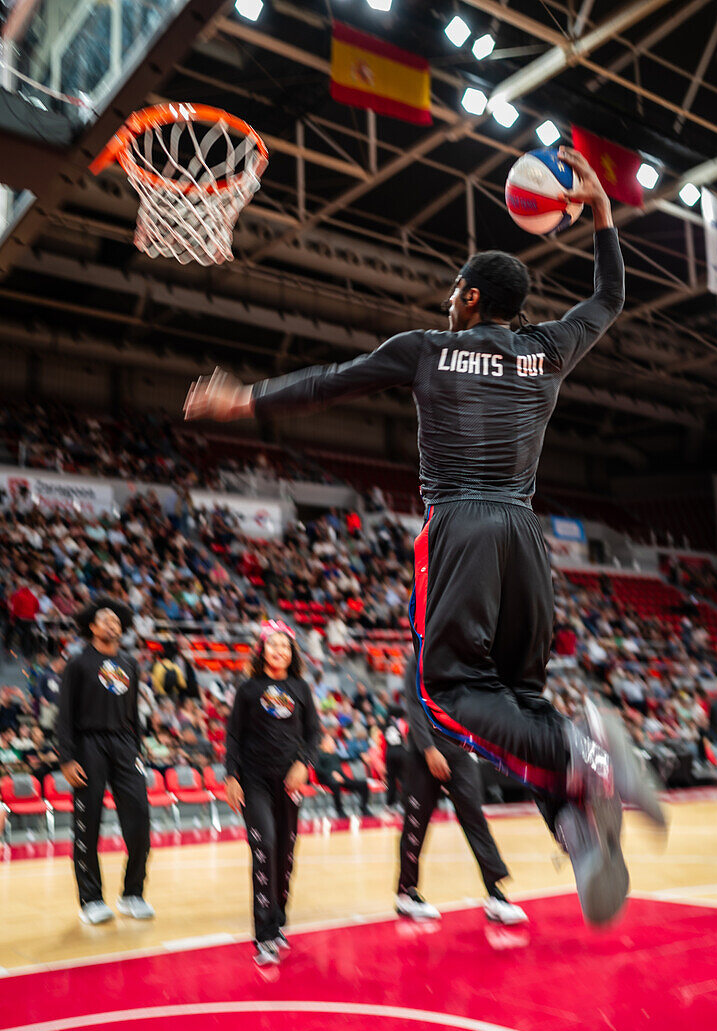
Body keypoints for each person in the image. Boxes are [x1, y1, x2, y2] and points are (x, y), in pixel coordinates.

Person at [185, 147, 665, 926]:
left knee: (447, 694)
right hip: (527, 539)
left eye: (453, 292)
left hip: (463, 528)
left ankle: (588, 759)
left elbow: (329, 382)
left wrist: (244, 403)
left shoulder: (428, 349)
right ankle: (577, 822)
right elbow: (608, 297)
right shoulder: (547, 349)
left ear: (470, 298)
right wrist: (604, 218)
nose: (447, 301)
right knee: (520, 697)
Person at [396, 658, 528, 925]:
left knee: (475, 820)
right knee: (416, 824)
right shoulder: (420, 658)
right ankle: (406, 894)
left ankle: (495, 895)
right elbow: (414, 705)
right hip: (425, 753)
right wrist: (428, 750)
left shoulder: (463, 657)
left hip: (460, 753)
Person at [225, 620, 319, 966]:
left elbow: (313, 735)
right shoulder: (248, 689)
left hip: (289, 781)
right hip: (254, 780)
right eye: (273, 644)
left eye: (285, 645)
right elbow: (233, 736)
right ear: (262, 649)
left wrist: (303, 763)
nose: (279, 650)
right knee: (264, 846)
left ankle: (278, 921)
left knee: (286, 855)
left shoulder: (301, 689)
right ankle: (264, 934)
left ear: (291, 652)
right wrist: (231, 776)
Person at [56, 598, 154, 925]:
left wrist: (137, 749)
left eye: (116, 620)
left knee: (140, 817)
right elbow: (64, 715)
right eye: (104, 620)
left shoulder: (130, 664)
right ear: (92, 628)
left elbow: (134, 715)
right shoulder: (78, 664)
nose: (112, 624)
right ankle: (91, 899)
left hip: (125, 744)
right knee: (89, 825)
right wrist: (67, 758)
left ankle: (132, 893)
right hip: (88, 744)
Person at [315, 731, 372, 819]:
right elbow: (318, 769)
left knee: (363, 784)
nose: (334, 744)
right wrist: (331, 773)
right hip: (327, 779)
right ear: (324, 743)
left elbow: (348, 758)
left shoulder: (335, 755)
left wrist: (361, 757)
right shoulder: (319, 755)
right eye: (331, 742)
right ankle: (339, 810)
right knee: (335, 784)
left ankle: (364, 808)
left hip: (342, 778)